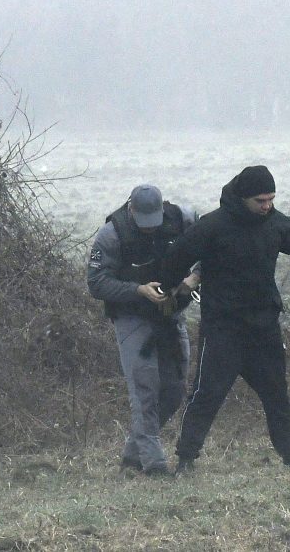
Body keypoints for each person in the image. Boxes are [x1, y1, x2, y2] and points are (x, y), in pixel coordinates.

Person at [156, 165, 290, 473]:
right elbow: (177, 257)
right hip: (222, 328)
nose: (267, 206)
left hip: (263, 328)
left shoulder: (275, 224)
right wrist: (169, 288)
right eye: (260, 201)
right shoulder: (212, 226)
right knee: (207, 395)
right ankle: (186, 459)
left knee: (276, 395)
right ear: (243, 197)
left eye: (271, 199)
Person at [87, 184, 200, 476]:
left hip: (170, 315)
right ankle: (154, 465)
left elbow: (211, 248)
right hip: (131, 316)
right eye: (144, 223)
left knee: (175, 390)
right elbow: (96, 283)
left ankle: (132, 455)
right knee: (144, 389)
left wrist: (195, 277)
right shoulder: (112, 234)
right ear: (131, 210)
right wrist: (138, 290)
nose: (150, 228)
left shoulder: (184, 219)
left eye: (155, 221)